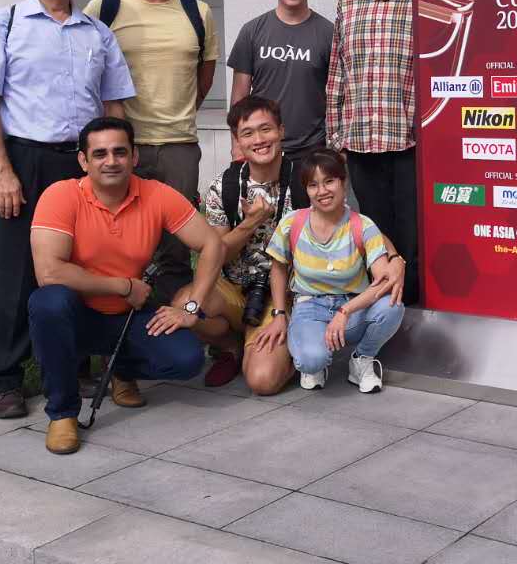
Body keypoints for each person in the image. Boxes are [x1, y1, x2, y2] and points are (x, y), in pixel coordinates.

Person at [0, 0, 135, 419]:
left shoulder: (97, 34)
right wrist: (2, 170)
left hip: (82, 164)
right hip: (26, 160)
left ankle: (72, 364)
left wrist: (116, 166)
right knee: (17, 271)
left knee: (82, 264)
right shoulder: (6, 24)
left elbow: (114, 104)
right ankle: (5, 380)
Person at [27, 117, 224, 454]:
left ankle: (120, 368)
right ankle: (62, 413)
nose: (111, 161)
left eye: (120, 152)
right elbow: (50, 272)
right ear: (83, 161)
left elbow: (212, 245)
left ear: (134, 157)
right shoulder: (60, 196)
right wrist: (123, 286)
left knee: (187, 360)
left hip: (128, 316)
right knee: (48, 302)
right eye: (100, 153)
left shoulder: (157, 195)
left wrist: (191, 307)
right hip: (77, 317)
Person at [85, 0, 220, 300]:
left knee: (176, 248)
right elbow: (88, 71)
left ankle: (171, 325)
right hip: (122, 147)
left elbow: (203, 77)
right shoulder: (106, 6)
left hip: (179, 145)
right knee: (120, 242)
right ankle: (122, 324)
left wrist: (179, 111)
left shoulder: (197, 11)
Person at [325, 0, 418, 305]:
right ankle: (386, 311)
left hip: (412, 143)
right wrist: (335, 141)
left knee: (415, 236)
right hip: (362, 145)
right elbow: (337, 74)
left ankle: (417, 307)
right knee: (377, 236)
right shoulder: (347, 2)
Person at [262, 148, 405, 392]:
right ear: (306, 190)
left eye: (329, 181)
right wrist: (278, 313)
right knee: (311, 360)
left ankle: (361, 360)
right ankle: (319, 360)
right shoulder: (292, 223)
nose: (322, 191)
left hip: (353, 307)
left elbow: (383, 281)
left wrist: (344, 310)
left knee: (392, 306)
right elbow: (278, 268)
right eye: (313, 185)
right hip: (309, 307)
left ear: (343, 181)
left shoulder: (363, 225)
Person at [186, 96, 301, 393]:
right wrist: (250, 223)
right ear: (237, 141)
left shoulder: (304, 182)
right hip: (236, 289)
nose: (259, 140)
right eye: (248, 133)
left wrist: (391, 258)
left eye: (267, 129)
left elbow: (350, 224)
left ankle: (300, 351)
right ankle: (231, 348)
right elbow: (217, 257)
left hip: (284, 296)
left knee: (262, 381)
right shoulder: (224, 186)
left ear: (282, 131)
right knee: (185, 303)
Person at [227, 0, 334, 207]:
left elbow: (336, 96)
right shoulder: (252, 31)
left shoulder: (328, 32)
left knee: (310, 222)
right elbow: (239, 95)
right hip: (261, 146)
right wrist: (237, 144)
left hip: (311, 148)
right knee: (262, 220)